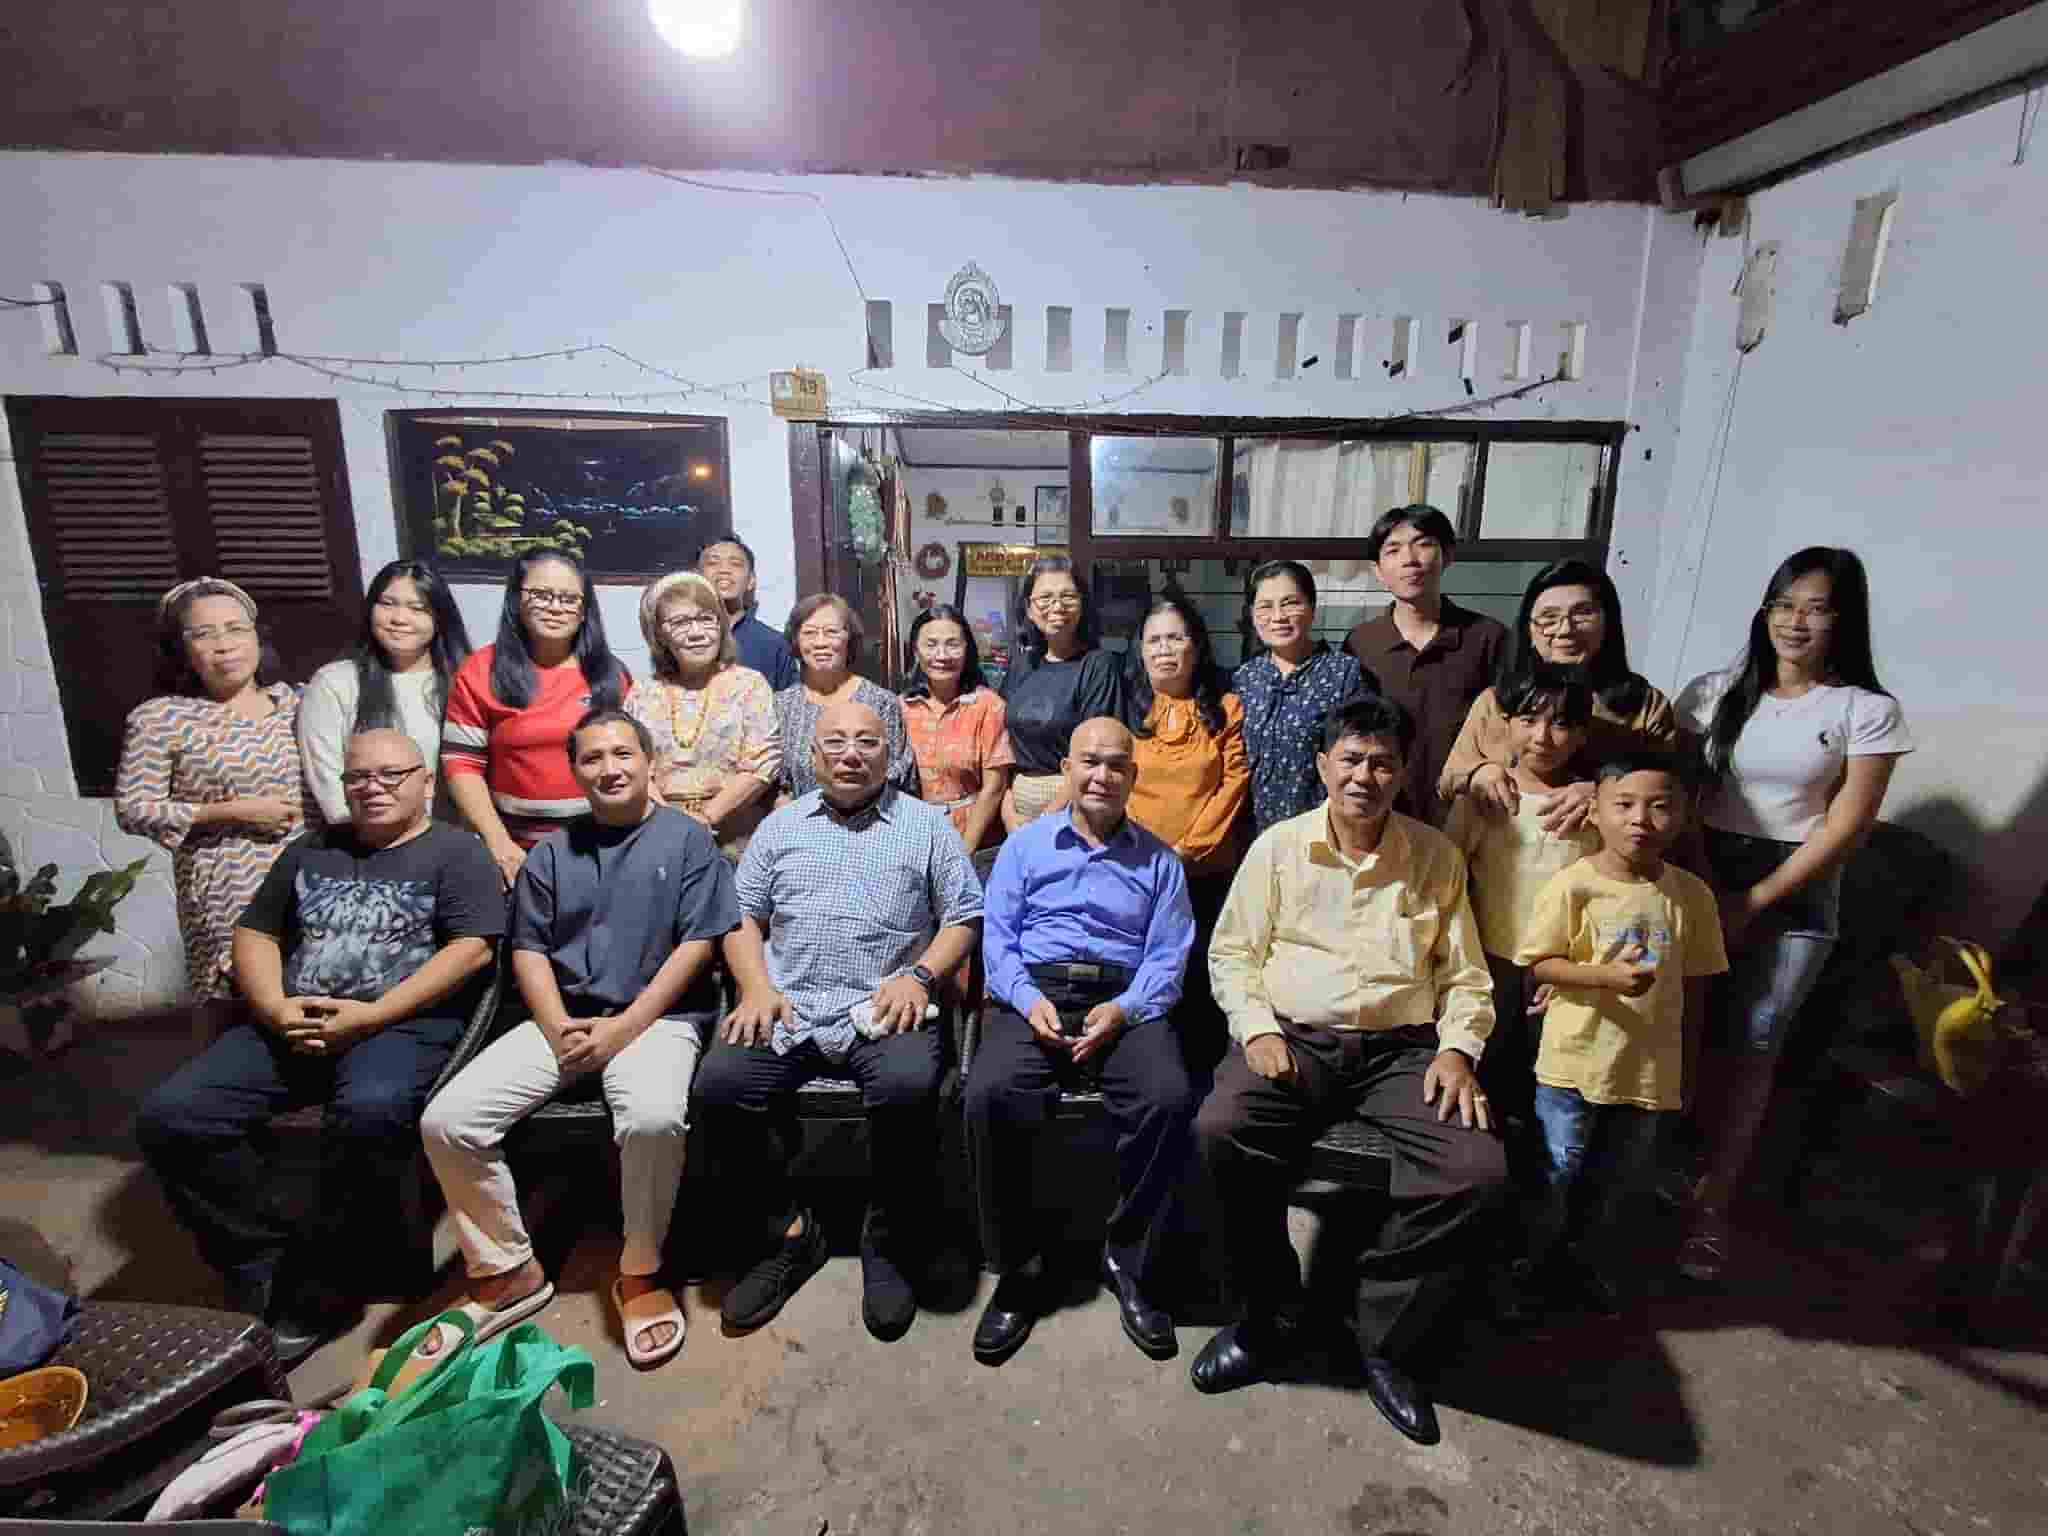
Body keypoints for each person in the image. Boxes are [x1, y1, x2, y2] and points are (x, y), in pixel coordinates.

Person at [135, 729, 503, 1363]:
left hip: (399, 1025)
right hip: (294, 1020)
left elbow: (472, 950)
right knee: (172, 1116)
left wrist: (373, 1014)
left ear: (425, 782)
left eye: (391, 775)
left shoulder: (458, 853)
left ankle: (325, 1283)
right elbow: (255, 934)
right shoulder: (311, 848)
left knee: (369, 1115)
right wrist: (275, 1009)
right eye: (358, 777)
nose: (374, 787)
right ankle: (261, 1255)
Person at [1194, 695, 1502, 1447]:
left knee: (1476, 1171)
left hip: (1402, 1050)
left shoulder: (1435, 856)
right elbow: (1232, 954)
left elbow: (1465, 976)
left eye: (1382, 763)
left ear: (1403, 773)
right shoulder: (1279, 847)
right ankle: (1268, 1314)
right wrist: (1257, 1028)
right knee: (1221, 1131)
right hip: (1295, 1039)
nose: (1365, 776)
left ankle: (1380, 1335)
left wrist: (1458, 1050)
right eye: (1351, 759)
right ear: (1322, 765)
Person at [421, 708, 738, 1370]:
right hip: (563, 1018)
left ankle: (640, 1270)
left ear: (649, 763)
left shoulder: (687, 840)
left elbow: (699, 946)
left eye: (623, 753)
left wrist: (625, 1027)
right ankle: (507, 1268)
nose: (609, 768)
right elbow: (529, 949)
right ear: (574, 771)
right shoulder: (551, 853)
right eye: (592, 758)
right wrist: (555, 1025)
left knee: (652, 1116)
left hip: (658, 1019)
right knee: (449, 1121)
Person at [692, 700, 982, 1342]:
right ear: (813, 756)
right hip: (789, 1003)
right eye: (836, 743)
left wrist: (920, 976)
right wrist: (755, 987)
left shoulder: (927, 826)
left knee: (909, 1087)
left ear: (892, 755)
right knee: (721, 1086)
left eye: (868, 743)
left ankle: (887, 1238)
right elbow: (741, 918)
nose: (852, 755)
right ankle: (790, 1233)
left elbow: (964, 915)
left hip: (885, 1004)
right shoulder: (779, 828)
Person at [1673, 546, 1912, 1282]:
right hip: (1703, 871)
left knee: (1754, 1046)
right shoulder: (1714, 692)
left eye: (1815, 608)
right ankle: (1656, 1179)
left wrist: (1755, 902)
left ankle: (1710, 1214)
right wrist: (1706, 882)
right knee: (1680, 1034)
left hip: (1798, 890)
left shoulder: (1865, 710)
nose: (1795, 621)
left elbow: (1846, 827)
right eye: (1783, 604)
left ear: (1844, 619)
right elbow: (1680, 793)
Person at [968, 718, 1197, 1366]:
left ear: (1133, 776)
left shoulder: (1160, 861)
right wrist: (1026, 998)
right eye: (1090, 762)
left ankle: (1130, 1261)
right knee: (990, 1093)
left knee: (1167, 1097)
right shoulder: (1023, 848)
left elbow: (1168, 956)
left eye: (1116, 765)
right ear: (1066, 770)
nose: (1102, 776)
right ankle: (1020, 1265)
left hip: (1122, 997)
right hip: (1034, 991)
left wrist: (1125, 1010)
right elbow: (998, 940)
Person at [1512, 754, 1727, 1314]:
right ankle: (1527, 1272)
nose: (1640, 819)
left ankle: (1584, 1268)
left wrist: (1689, 1069)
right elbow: (1539, 964)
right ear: (1595, 811)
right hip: (1572, 1063)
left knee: (1616, 1181)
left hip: (1648, 1071)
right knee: (1555, 1174)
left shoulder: (1691, 896)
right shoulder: (1574, 886)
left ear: (1683, 815)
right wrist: (1603, 977)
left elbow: (1699, 987)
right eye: (1624, 804)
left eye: (1659, 807)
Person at [115, 578, 311, 1003]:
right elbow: (133, 808)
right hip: (226, 888)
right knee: (245, 1006)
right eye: (204, 634)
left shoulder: (300, 704)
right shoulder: (161, 719)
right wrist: (231, 812)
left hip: (312, 877)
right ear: (181, 648)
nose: (224, 645)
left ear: (257, 636)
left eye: (236, 629)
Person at [1440, 667, 1602, 1127]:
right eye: (1529, 720)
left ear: (1582, 734)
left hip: (1559, 972)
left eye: (1561, 724)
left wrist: (1580, 967)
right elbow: (1445, 882)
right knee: (1486, 1074)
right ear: (1506, 724)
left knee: (1550, 1085)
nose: (1542, 737)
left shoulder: (1590, 809)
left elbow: (1603, 896)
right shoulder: (1481, 799)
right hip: (1487, 966)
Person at [1439, 559, 1677, 835]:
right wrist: (1478, 773)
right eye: (1549, 617)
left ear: (1608, 622)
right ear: (1528, 629)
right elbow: (1449, 778)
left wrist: (1600, 792)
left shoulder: (1644, 704)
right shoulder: (1497, 699)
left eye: (1582, 614)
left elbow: (1672, 791)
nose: (1565, 630)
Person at [442, 550, 631, 887]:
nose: (556, 607)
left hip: (605, 848)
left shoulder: (610, 674)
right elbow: (462, 763)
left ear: (584, 610)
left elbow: (633, 762)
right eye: (541, 594)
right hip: (515, 853)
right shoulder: (481, 670)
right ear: (517, 599)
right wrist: (499, 843)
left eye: (569, 598)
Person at [1123, 594, 1249, 1062]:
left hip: (1206, 871)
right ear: (1140, 650)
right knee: (1143, 971)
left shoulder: (1226, 707)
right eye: (1154, 640)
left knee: (1200, 975)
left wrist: (1186, 849)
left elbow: (1233, 782)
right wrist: (1147, 854)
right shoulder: (1126, 707)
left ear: (1195, 646)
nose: (1164, 649)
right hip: (1136, 869)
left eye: (1175, 638)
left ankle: (1203, 1074)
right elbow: (1115, 783)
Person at [1343, 506, 1508, 828]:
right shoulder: (1361, 643)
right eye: (1393, 550)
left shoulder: (1489, 638)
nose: (1409, 559)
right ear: (1377, 570)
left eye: (1423, 544)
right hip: (1383, 817)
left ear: (1448, 555)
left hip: (1469, 816)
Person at [298, 559, 472, 825]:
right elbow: (330, 787)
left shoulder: (466, 682)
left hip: (457, 840)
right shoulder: (334, 683)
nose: (399, 619)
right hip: (368, 840)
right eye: (387, 604)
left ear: (440, 618)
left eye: (417, 608)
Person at [625, 569, 781, 861]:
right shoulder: (642, 694)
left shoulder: (749, 685)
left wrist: (707, 817)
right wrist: (671, 824)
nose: (697, 633)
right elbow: (633, 766)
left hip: (737, 838)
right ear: (659, 634)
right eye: (680, 622)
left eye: (707, 619)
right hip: (659, 835)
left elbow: (763, 762)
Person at [1232, 560, 1378, 834]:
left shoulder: (1344, 674)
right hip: (1251, 835)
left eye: (1290, 603)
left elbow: (1361, 757)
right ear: (1251, 614)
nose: (1278, 616)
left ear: (1312, 608)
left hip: (1322, 832)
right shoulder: (1245, 678)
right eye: (1265, 606)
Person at [999, 556, 1125, 828]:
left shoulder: (1098, 665)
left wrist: (1047, 819)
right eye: (1045, 598)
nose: (1057, 606)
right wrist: (1008, 812)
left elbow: (1095, 754)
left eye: (1068, 596)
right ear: (1029, 609)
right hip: (1016, 806)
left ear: (1082, 605)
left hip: (1075, 806)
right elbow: (1001, 743)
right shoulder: (1021, 666)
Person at [775, 594, 918, 799]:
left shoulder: (881, 702)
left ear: (849, 638)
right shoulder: (782, 705)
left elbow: (899, 775)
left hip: (872, 816)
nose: (820, 642)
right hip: (800, 817)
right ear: (796, 640)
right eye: (809, 633)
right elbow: (777, 782)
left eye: (831, 632)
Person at [899, 604, 1013, 859]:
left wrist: (964, 851)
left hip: (975, 840)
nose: (941, 655)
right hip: (915, 838)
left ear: (967, 649)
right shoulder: (901, 708)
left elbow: (994, 787)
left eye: (952, 644)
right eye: (930, 644)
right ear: (916, 650)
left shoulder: (988, 706)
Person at [700, 535, 799, 691]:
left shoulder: (774, 645)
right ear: (698, 577)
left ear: (751, 581)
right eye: (713, 563)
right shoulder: (684, 639)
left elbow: (791, 702)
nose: (724, 570)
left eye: (735, 564)